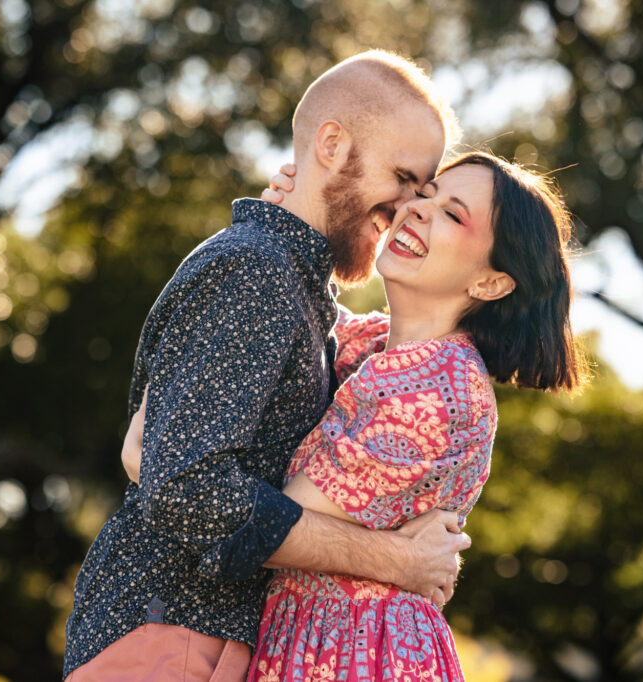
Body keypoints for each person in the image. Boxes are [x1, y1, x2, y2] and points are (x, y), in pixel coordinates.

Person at [63, 50, 470, 682]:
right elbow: (186, 489)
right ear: (330, 145)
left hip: (203, 640)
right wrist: (397, 562)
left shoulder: (293, 285)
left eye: (426, 190)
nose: (410, 207)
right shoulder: (257, 272)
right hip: (173, 637)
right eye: (404, 177)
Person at [124, 151, 586, 680]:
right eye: (426, 193)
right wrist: (286, 216)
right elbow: (279, 309)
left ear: (490, 283)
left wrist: (157, 458)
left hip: (358, 650)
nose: (418, 209)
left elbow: (248, 525)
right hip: (308, 637)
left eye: (454, 215)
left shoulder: (439, 390)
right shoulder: (370, 346)